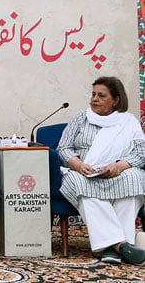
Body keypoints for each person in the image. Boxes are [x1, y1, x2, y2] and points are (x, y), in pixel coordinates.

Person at [57, 76, 145, 265]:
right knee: (77, 181)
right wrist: (77, 165)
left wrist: (119, 166)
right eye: (93, 94)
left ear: (116, 100)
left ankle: (110, 248)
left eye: (101, 96)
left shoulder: (128, 122)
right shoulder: (81, 118)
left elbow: (140, 151)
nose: (94, 99)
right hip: (84, 171)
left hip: (116, 170)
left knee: (135, 177)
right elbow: (63, 148)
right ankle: (121, 246)